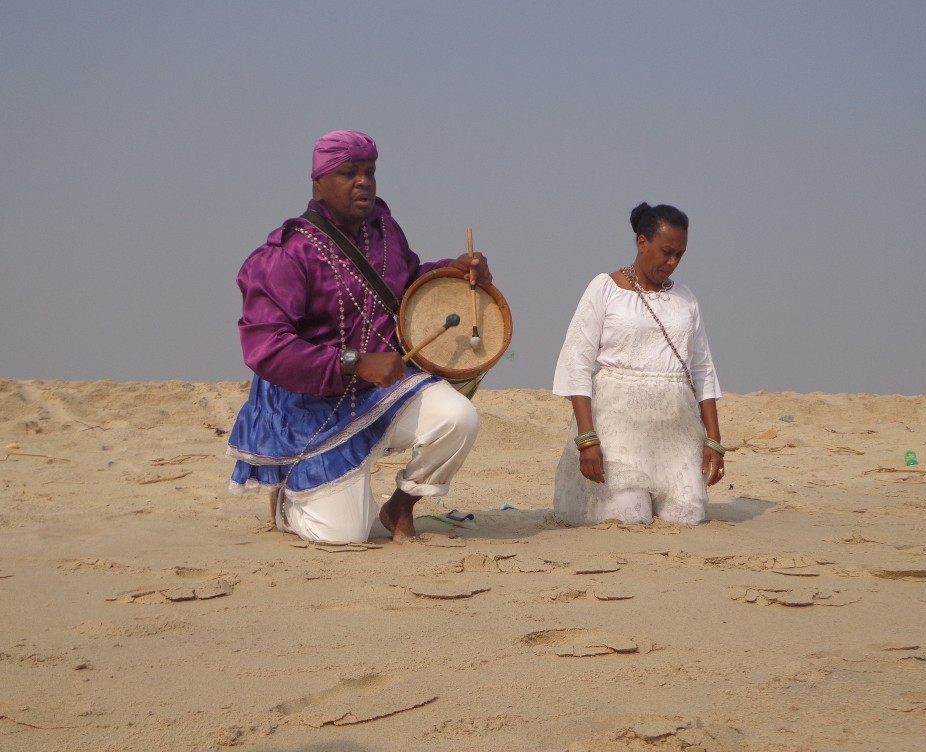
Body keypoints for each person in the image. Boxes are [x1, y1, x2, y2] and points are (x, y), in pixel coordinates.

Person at [227, 130, 490, 544]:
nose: (363, 181)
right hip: (310, 401)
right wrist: (353, 363)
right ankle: (287, 502)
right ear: (319, 183)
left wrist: (451, 272)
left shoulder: (385, 229)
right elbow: (266, 346)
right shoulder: (288, 252)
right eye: (349, 172)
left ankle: (399, 507)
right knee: (344, 535)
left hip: (381, 387)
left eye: (369, 171)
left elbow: (407, 286)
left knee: (459, 419)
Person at [551, 202, 724, 526]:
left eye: (680, 255)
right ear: (642, 242)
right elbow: (577, 362)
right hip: (618, 425)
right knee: (629, 515)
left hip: (676, 430)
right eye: (666, 251)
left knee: (686, 515)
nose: (672, 262)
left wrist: (713, 440)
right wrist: (587, 438)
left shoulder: (686, 299)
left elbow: (702, 369)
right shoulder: (604, 289)